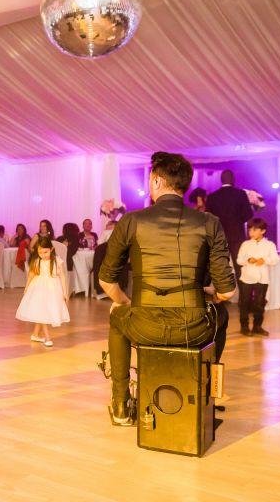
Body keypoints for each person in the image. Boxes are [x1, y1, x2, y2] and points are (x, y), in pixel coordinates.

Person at [99, 152, 235, 426]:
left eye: (151, 180)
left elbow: (107, 281)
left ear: (158, 181)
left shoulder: (131, 221)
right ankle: (208, 393)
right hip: (194, 325)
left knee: (116, 318)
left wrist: (125, 302)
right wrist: (210, 293)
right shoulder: (210, 222)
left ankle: (121, 404)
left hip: (144, 325)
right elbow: (228, 292)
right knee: (222, 317)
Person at [16, 235, 69, 347]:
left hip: (53, 289)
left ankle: (35, 334)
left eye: (45, 252)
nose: (43, 255)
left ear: (51, 249)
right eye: (40, 252)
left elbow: (62, 276)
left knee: (43, 311)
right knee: (43, 311)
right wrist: (26, 287)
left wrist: (65, 291)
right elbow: (31, 275)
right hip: (39, 288)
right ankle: (47, 337)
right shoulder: (37, 261)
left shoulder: (57, 261)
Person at [236, 218, 279, 336]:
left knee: (259, 302)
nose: (251, 232)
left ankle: (257, 326)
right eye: (250, 229)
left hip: (262, 278)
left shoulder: (270, 245)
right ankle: (244, 326)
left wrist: (264, 260)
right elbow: (239, 260)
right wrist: (247, 260)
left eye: (255, 230)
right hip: (246, 277)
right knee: (244, 302)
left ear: (263, 231)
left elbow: (275, 259)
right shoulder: (245, 244)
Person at [206, 170, 253, 277]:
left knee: (220, 267)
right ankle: (244, 293)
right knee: (240, 266)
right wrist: (237, 220)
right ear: (233, 180)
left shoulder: (212, 196)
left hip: (219, 237)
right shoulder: (240, 194)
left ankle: (221, 293)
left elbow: (208, 218)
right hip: (237, 235)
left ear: (221, 180)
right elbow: (248, 215)